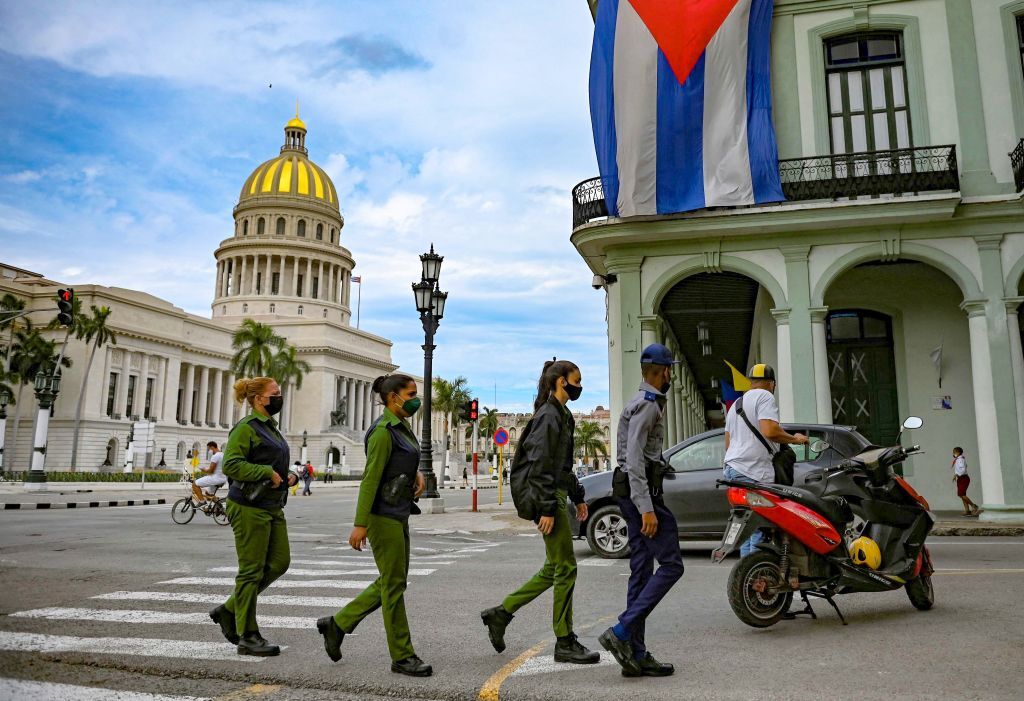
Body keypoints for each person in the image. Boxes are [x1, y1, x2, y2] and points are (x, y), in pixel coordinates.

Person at [480, 359, 599, 665]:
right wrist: (546, 508)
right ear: (561, 381)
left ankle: (501, 614)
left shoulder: (561, 415)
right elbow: (540, 465)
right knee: (566, 569)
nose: (579, 386)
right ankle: (564, 640)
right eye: (577, 380)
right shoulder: (549, 416)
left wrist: (578, 495)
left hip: (558, 495)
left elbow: (562, 464)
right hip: (550, 500)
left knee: (553, 568)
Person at [316, 374, 431, 677]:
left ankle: (338, 624)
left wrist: (416, 473)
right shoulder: (382, 432)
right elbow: (370, 480)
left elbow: (401, 461)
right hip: (383, 516)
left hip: (399, 511)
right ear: (394, 397)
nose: (416, 399)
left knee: (393, 580)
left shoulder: (402, 427)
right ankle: (402, 655)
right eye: (411, 393)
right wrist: (360, 524)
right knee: (393, 585)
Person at [598, 344, 683, 678]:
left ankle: (635, 653)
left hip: (633, 489)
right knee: (672, 564)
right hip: (639, 494)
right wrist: (646, 508)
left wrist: (662, 464)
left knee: (641, 568)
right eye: (669, 370)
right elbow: (633, 459)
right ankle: (621, 632)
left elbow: (642, 455)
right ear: (662, 371)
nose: (671, 375)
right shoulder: (648, 406)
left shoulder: (643, 403)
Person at [209, 377, 297, 657]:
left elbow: (271, 463)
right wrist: (265, 473)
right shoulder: (246, 428)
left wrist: (289, 476)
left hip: (271, 505)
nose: (279, 397)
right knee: (251, 572)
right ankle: (247, 634)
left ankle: (229, 609)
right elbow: (232, 464)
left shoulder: (271, 428)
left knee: (280, 562)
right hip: (248, 505)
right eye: (275, 393)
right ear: (259, 398)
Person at [722, 363, 808, 556]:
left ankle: (745, 577)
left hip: (733, 470)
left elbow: (728, 444)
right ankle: (755, 579)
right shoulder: (765, 396)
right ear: (771, 384)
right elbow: (769, 430)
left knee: (745, 528)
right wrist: (795, 438)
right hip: (753, 471)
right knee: (760, 528)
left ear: (751, 382)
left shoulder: (736, 404)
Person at [952, 447, 980, 516]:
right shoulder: (959, 459)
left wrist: (957, 474)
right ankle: (967, 510)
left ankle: (974, 506)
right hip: (960, 478)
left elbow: (963, 469)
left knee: (961, 494)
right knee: (962, 494)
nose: (953, 454)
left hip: (963, 478)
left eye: (954, 452)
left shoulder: (960, 460)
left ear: (958, 452)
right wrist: (956, 475)